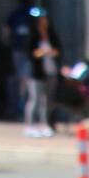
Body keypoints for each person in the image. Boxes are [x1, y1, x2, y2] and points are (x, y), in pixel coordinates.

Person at [19, 8, 58, 137]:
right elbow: (30, 53)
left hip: (51, 70)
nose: (43, 22)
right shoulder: (32, 36)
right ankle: (29, 125)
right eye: (40, 20)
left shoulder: (51, 35)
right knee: (34, 99)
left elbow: (58, 50)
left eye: (44, 20)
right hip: (36, 73)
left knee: (47, 100)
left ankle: (45, 124)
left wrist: (51, 52)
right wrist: (42, 52)